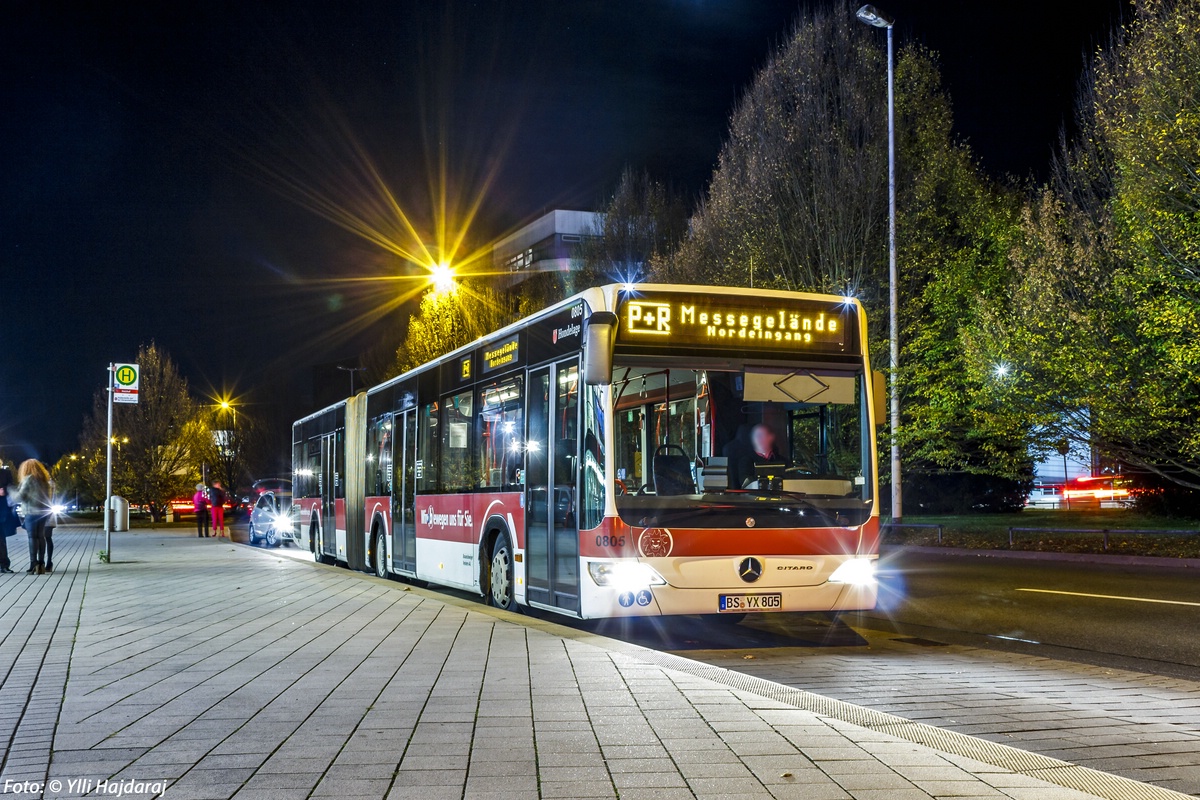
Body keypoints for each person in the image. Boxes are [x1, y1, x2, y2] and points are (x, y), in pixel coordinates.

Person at [15, 459, 54, 574]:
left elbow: (20, 497)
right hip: (43, 513)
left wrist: (12, 494)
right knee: (41, 536)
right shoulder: (45, 481)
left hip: (31, 512)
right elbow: (49, 498)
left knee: (32, 537)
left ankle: (33, 563)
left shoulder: (28, 479)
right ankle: (41, 563)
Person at [732, 424, 788, 489]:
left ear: (771, 437)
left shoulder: (783, 461)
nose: (758, 439)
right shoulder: (746, 461)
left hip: (783, 497)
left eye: (761, 435)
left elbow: (791, 481)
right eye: (755, 436)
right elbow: (746, 484)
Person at [0, 467, 19, 573]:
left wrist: (4, 490)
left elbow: (11, 486)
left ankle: (4, 564)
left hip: (2, 510)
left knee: (1, 539)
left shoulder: (5, 473)